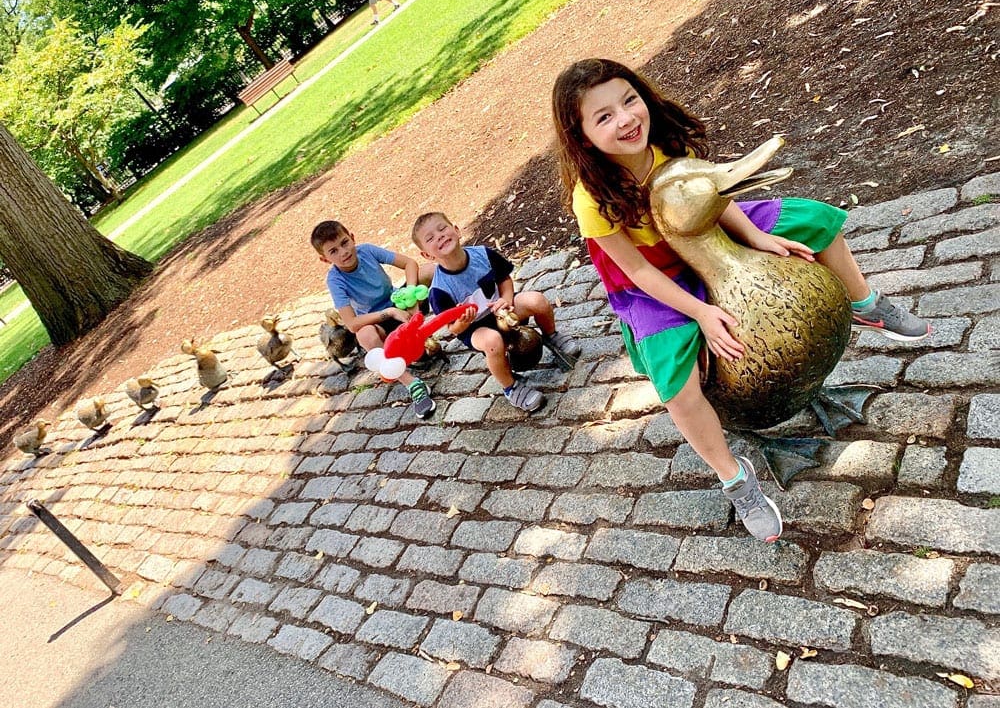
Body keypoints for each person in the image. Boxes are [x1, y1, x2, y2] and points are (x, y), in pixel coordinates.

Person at [551, 58, 930, 542]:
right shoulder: (593, 198)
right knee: (678, 386)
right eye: (603, 116)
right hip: (657, 279)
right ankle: (734, 478)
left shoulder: (667, 145)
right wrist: (702, 312)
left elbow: (718, 196)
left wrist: (757, 237)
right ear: (581, 135)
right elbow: (639, 270)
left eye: (629, 100)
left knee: (817, 221)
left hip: (706, 232)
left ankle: (864, 302)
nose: (625, 119)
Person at [411, 212, 581, 413]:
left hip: (501, 308)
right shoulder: (439, 290)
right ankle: (511, 387)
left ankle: (552, 337)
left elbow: (504, 280)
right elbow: (452, 329)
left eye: (442, 228)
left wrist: (506, 300)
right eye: (430, 238)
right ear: (427, 255)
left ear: (456, 230)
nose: (439, 236)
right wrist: (463, 322)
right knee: (492, 341)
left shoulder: (483, 255)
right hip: (474, 329)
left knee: (536, 300)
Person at [311, 220, 436, 419]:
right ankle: (412, 384)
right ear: (325, 259)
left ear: (352, 238)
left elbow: (410, 264)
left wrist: (410, 294)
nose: (343, 252)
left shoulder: (367, 251)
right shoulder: (335, 280)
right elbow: (351, 323)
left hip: (400, 303)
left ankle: (462, 314)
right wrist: (391, 313)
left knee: (429, 270)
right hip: (378, 320)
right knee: (364, 335)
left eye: (344, 243)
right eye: (333, 251)